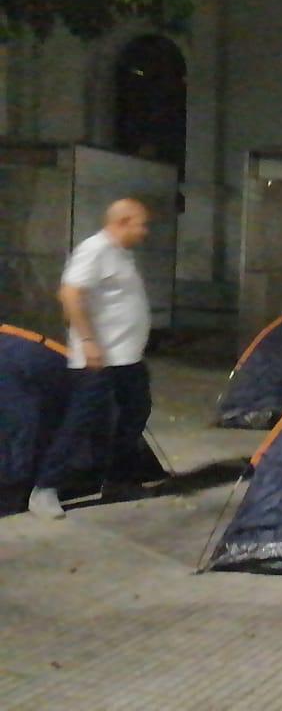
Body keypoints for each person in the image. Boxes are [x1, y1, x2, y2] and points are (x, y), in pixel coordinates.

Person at [28, 199, 154, 520]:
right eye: (141, 224)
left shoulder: (121, 253)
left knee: (135, 413)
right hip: (98, 357)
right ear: (123, 221)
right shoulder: (94, 249)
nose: (145, 231)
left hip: (127, 357)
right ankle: (45, 489)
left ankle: (118, 480)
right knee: (81, 421)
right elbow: (70, 294)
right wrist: (88, 341)